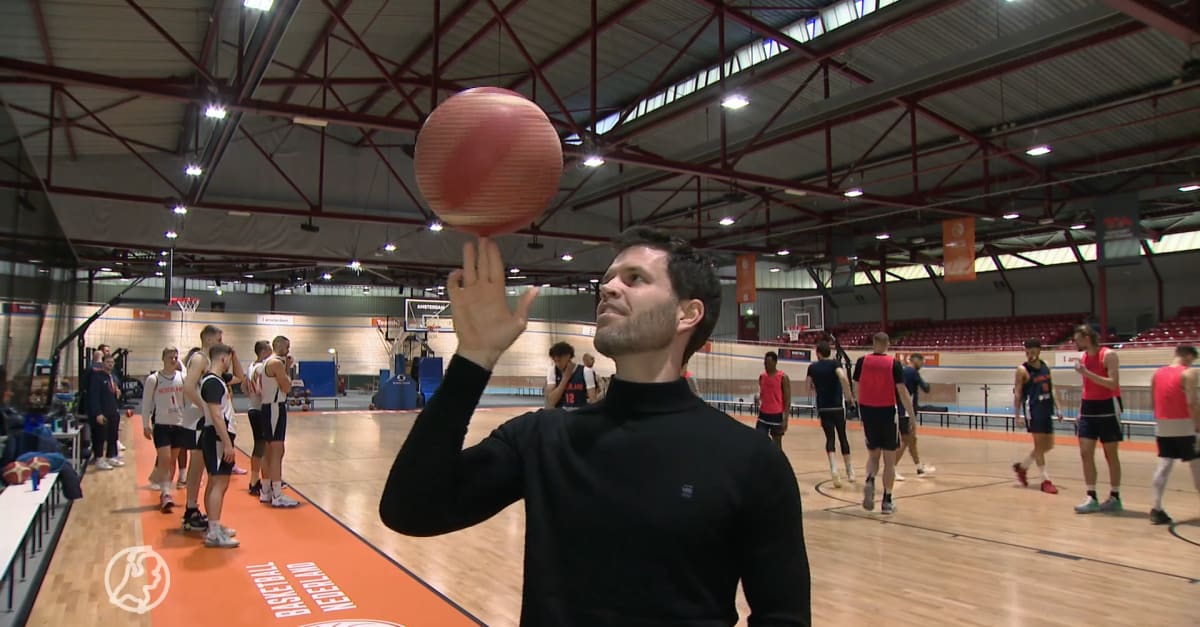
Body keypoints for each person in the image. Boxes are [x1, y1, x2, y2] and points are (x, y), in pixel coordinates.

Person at [379, 229, 810, 626]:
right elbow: (411, 509)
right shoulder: (543, 439)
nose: (607, 288)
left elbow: (783, 616)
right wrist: (473, 357)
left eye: (635, 278)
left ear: (687, 313)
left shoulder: (751, 460)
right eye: (607, 279)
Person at [180, 325, 246, 531]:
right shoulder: (201, 359)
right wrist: (206, 407)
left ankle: (200, 512)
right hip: (199, 420)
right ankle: (191, 509)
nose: (221, 342)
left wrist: (234, 355)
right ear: (209, 340)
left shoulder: (213, 365)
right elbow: (188, 387)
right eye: (219, 339)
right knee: (199, 467)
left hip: (205, 419)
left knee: (206, 471)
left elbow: (240, 377)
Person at [853, 332, 915, 515]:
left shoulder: (861, 362)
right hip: (887, 412)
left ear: (873, 343)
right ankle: (887, 501)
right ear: (887, 344)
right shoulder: (893, 364)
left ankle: (870, 479)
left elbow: (856, 385)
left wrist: (860, 407)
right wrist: (911, 415)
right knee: (889, 460)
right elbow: (902, 391)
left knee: (873, 455)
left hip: (868, 411)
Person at [1071, 324, 1123, 514]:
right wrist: (1080, 410)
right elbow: (1086, 386)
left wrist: (1087, 373)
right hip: (1088, 408)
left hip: (1108, 405)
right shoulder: (1084, 357)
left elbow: (1112, 383)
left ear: (1086, 337)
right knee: (1085, 453)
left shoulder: (1108, 355)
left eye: (1077, 339)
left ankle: (1115, 496)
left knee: (1111, 454)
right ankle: (1091, 496)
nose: (1075, 342)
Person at [1148, 345, 1200, 525]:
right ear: (1187, 356)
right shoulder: (1189, 373)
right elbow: (1192, 402)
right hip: (1184, 424)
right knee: (1197, 466)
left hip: (1163, 425)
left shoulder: (1157, 373)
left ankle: (1156, 508)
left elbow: (1152, 400)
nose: (1192, 362)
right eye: (1192, 359)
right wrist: (1198, 425)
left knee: (1163, 466)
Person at [199, 344, 239, 548]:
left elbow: (240, 377)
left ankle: (213, 525)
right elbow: (216, 415)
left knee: (215, 483)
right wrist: (227, 444)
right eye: (229, 359)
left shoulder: (214, 380)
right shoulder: (213, 382)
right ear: (223, 359)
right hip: (216, 437)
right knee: (218, 484)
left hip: (215, 436)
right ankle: (214, 533)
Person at [1012, 339, 1062, 494]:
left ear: (1039, 351)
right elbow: (1018, 393)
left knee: (1048, 445)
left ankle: (1023, 467)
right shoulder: (1022, 370)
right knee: (1040, 446)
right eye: (1027, 351)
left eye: (1032, 351)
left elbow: (1052, 388)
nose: (1029, 354)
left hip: (1047, 408)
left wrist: (1059, 407)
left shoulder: (1045, 366)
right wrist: (1017, 415)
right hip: (1033, 410)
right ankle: (1045, 480)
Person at [142, 347, 188, 511]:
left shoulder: (182, 378)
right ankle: (165, 492)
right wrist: (145, 424)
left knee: (172, 460)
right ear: (163, 358)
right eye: (170, 357)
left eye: (176, 357)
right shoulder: (153, 379)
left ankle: (167, 490)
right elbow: (146, 403)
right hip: (161, 425)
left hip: (179, 424)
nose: (173, 360)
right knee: (165, 458)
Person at [806, 340, 855, 487]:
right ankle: (850, 471)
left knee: (830, 439)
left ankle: (834, 469)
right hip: (837, 407)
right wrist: (849, 398)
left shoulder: (812, 367)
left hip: (824, 408)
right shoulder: (835, 364)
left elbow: (807, 387)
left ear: (818, 353)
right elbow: (843, 378)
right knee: (843, 437)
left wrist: (817, 388)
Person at [259, 336, 299, 507]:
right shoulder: (276, 363)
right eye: (287, 347)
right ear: (279, 346)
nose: (289, 350)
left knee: (268, 451)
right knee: (277, 451)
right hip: (275, 407)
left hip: (267, 407)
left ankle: (265, 490)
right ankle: (277, 494)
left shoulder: (265, 363)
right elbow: (287, 387)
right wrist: (288, 369)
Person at [894, 354, 934, 479]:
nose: (922, 364)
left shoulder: (903, 372)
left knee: (912, 440)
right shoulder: (912, 372)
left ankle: (919, 468)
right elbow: (926, 388)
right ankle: (892, 468)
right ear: (914, 360)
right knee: (905, 440)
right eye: (921, 361)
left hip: (901, 410)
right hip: (906, 412)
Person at [245, 340, 272, 497]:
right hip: (260, 409)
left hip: (253, 407)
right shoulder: (261, 368)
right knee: (262, 448)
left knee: (260, 446)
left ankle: (258, 479)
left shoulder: (251, 366)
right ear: (263, 352)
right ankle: (257, 481)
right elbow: (262, 389)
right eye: (269, 350)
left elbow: (244, 387)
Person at [87, 354, 122, 470]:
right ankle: (99, 459)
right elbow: (94, 396)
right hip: (102, 411)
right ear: (103, 363)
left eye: (112, 362)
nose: (110, 364)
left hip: (113, 409)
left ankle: (111, 456)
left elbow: (113, 390)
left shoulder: (112, 376)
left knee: (113, 435)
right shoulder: (97, 377)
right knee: (100, 436)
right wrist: (97, 413)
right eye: (108, 362)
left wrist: (117, 392)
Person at [544, 342, 596, 409]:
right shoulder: (552, 371)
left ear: (568, 356)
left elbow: (593, 401)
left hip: (578, 415)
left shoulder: (586, 371)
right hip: (560, 415)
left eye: (559, 361)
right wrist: (565, 378)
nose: (557, 364)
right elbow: (551, 401)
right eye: (555, 361)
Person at [756, 352, 790, 447]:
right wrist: (758, 398)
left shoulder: (783, 377)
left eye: (769, 363)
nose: (766, 365)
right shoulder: (762, 377)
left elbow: (787, 399)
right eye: (765, 363)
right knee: (759, 440)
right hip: (763, 415)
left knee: (777, 444)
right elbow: (763, 393)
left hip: (776, 415)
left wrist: (785, 419)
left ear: (775, 362)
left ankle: (777, 461)